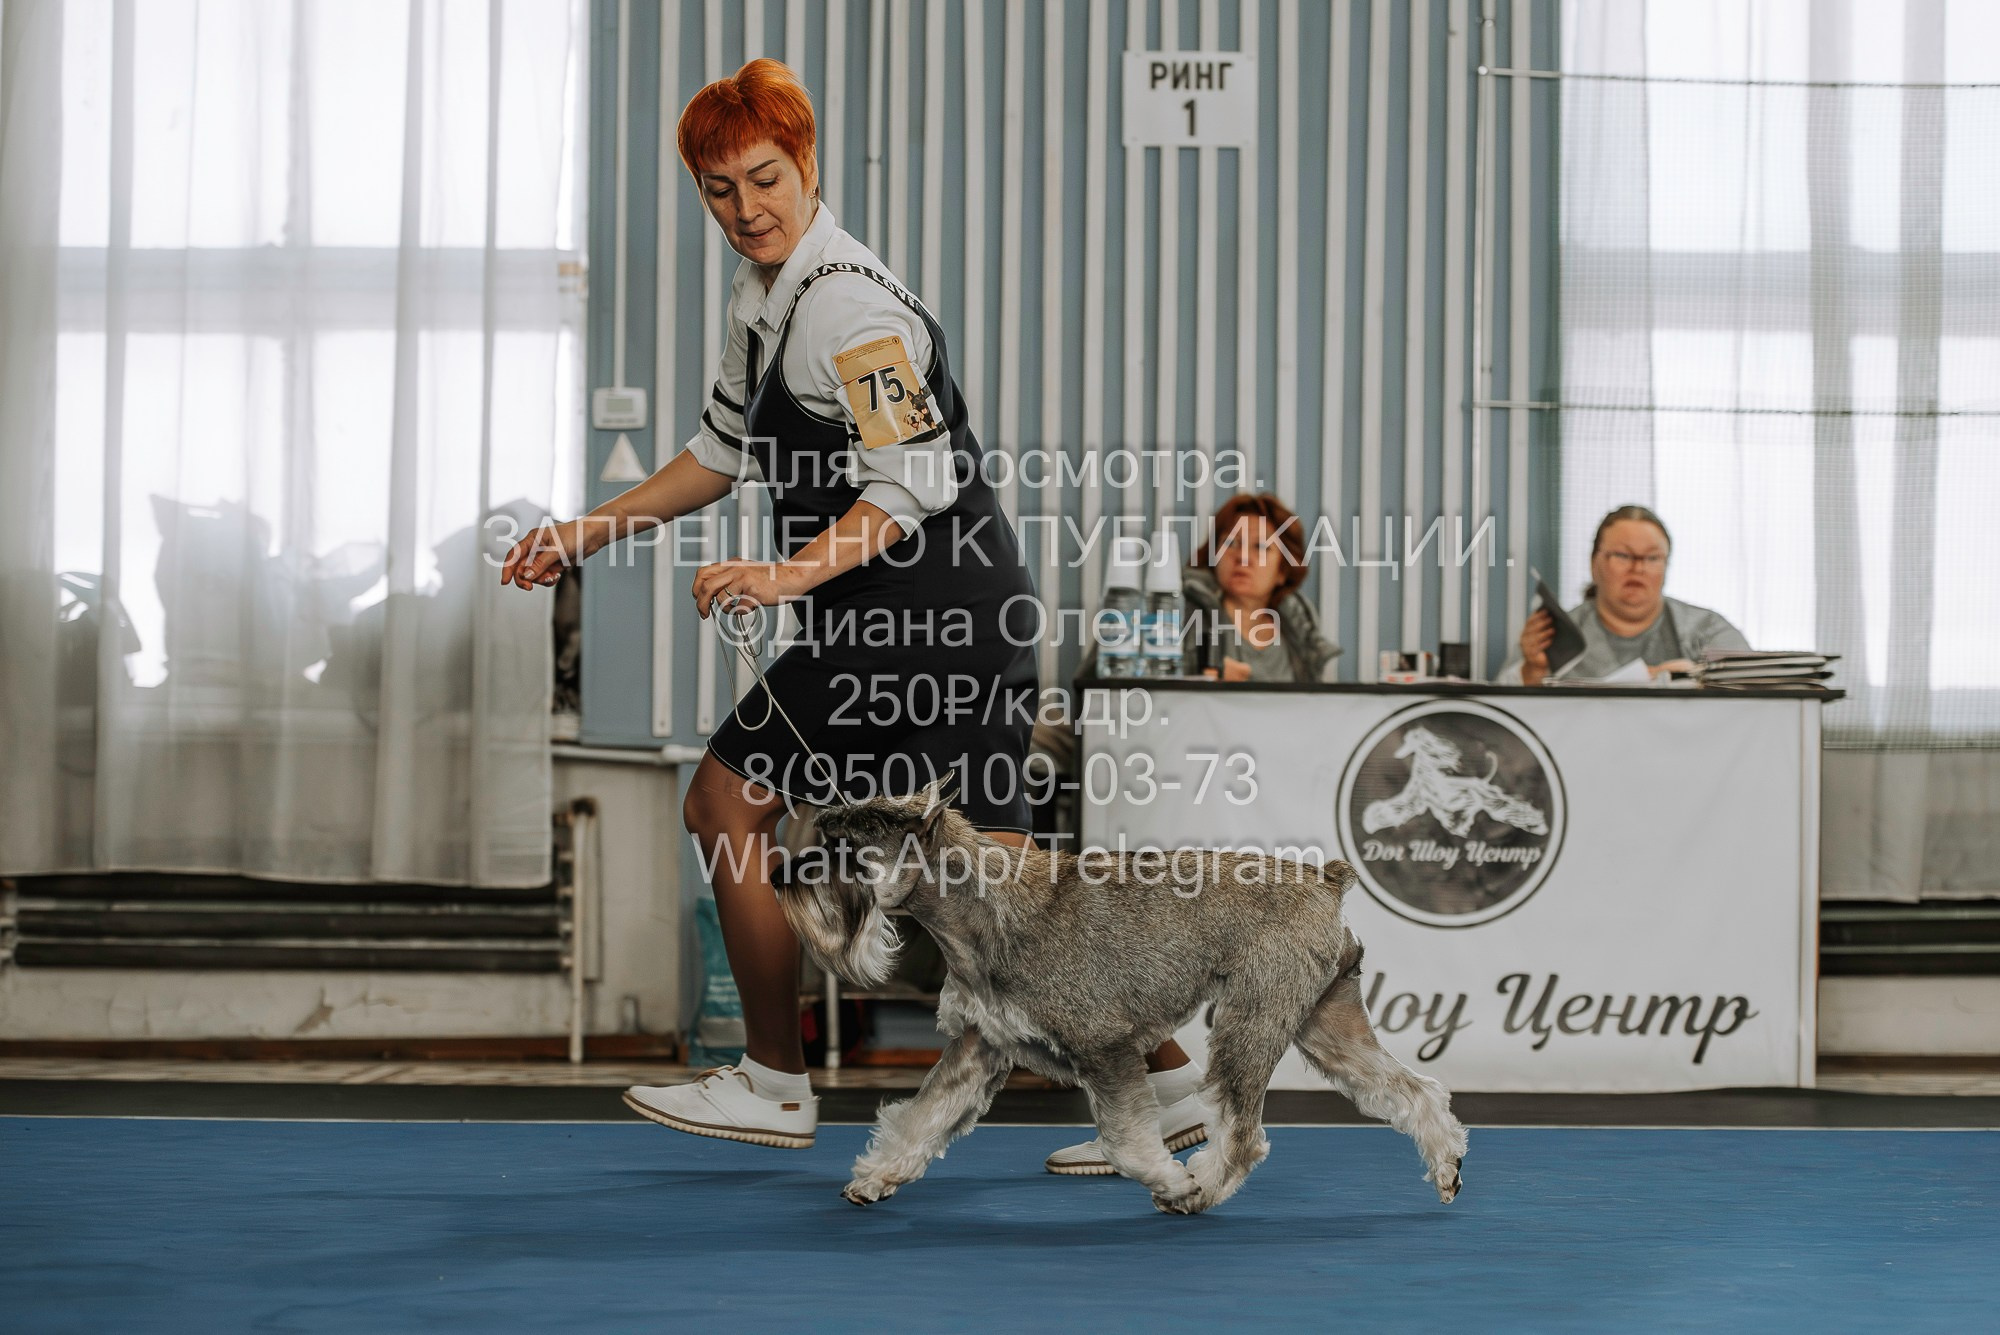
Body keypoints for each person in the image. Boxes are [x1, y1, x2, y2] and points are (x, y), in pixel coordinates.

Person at [500, 60, 1209, 1169]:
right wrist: (585, 531)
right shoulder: (762, 300)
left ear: (809, 162)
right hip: (905, 620)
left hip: (926, 619)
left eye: (765, 178)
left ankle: (777, 1083)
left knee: (731, 807)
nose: (746, 210)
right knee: (991, 905)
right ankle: (1176, 1096)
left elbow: (914, 479)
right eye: (720, 190)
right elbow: (719, 454)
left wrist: (785, 577)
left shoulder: (846, 303)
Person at [1500, 504, 1749, 685]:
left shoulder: (1706, 631)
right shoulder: (1553, 635)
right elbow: (1503, 719)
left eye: (1652, 558)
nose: (1637, 568)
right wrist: (1532, 673)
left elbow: (1752, 692)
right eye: (1623, 555)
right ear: (1594, 563)